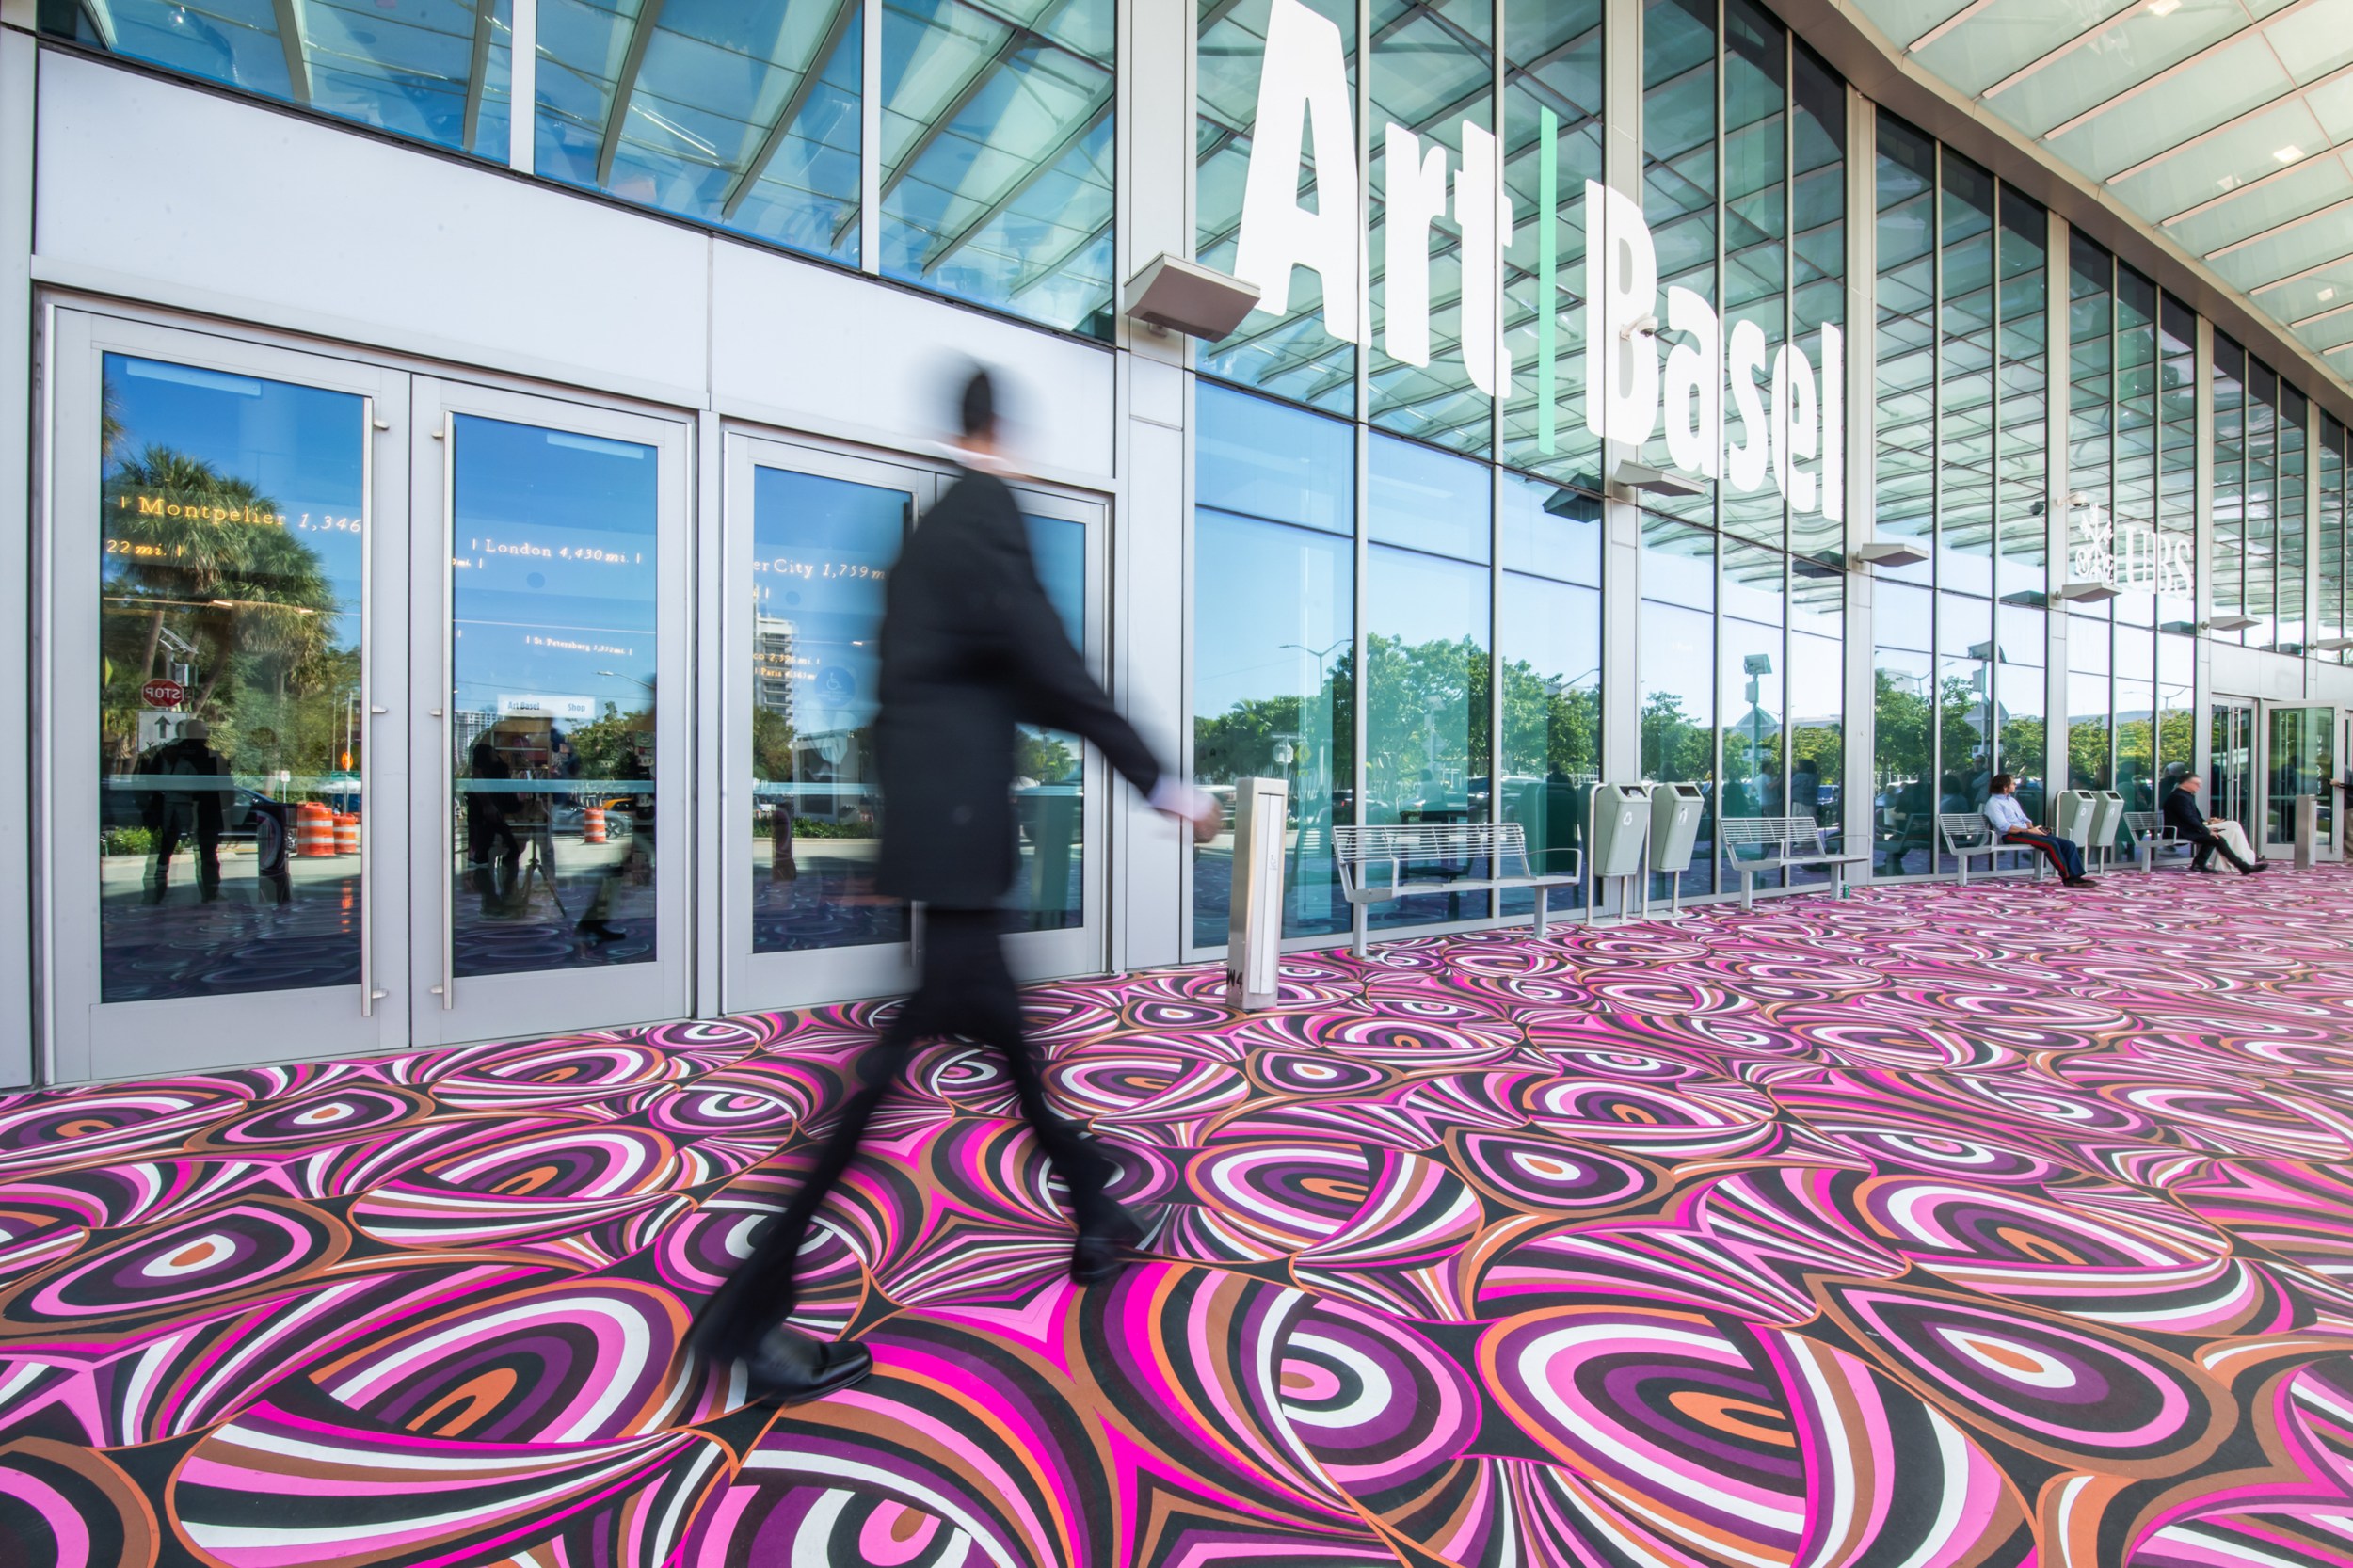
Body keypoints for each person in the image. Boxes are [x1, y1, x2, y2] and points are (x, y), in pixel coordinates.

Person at [690, 366, 1220, 1406]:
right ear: (998, 430)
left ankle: (1094, 1208)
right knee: (890, 1082)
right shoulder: (984, 516)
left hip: (944, 844)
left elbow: (975, 686)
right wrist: (1160, 779)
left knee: (1006, 1045)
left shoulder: (925, 543)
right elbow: (1053, 667)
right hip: (962, 845)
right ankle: (749, 1311)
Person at [141, 717, 232, 903]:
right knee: (206, 854)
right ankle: (210, 893)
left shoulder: (164, 755)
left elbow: (148, 783)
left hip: (180, 811)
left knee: (163, 853)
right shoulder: (211, 757)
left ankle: (155, 894)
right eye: (204, 732)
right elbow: (226, 791)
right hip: (200, 813)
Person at [1983, 772, 2097, 888]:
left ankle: (2077, 876)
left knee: (2069, 844)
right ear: (2005, 787)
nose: (2015, 785)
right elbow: (2003, 826)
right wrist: (2029, 831)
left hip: (2026, 832)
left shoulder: (2011, 800)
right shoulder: (1993, 803)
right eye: (2013, 783)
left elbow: (2024, 818)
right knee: (2051, 845)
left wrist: (2034, 829)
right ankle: (2068, 878)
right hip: (2011, 835)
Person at [2162, 776, 2266, 875]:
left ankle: (2201, 864)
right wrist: (2207, 830)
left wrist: (2208, 823)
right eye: (2196, 784)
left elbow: (2193, 817)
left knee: (2217, 836)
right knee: (2217, 839)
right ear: (2186, 783)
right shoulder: (2179, 797)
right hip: (2181, 831)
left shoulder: (2184, 795)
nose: (2199, 787)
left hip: (2186, 829)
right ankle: (2243, 866)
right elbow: (2189, 818)